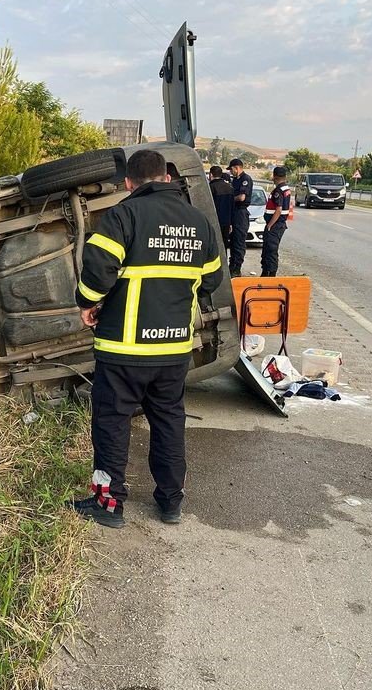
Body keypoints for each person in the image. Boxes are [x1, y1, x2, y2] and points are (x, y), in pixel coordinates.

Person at [72, 150, 224, 528]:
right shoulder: (198, 222)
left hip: (123, 348)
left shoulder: (124, 215)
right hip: (173, 349)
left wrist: (88, 303)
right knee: (169, 421)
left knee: (112, 423)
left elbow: (97, 267)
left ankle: (108, 505)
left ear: (128, 183)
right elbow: (212, 280)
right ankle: (171, 503)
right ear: (167, 178)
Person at [261, 166, 292, 277]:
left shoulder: (278, 190)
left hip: (275, 225)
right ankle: (268, 272)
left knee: (270, 251)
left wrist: (270, 225)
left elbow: (278, 210)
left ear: (275, 176)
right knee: (270, 250)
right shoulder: (286, 189)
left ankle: (269, 274)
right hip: (279, 225)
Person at [227, 158, 254, 277]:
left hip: (241, 213)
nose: (231, 172)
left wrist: (229, 200)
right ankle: (232, 265)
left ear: (237, 168)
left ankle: (236, 268)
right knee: (233, 241)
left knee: (238, 242)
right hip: (234, 212)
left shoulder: (245, 179)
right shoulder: (235, 180)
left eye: (231, 169)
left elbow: (242, 197)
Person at [208, 165, 234, 267]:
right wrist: (231, 222)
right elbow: (232, 207)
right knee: (224, 245)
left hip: (214, 221)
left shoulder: (210, 188)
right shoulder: (230, 187)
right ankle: (224, 266)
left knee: (213, 245)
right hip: (226, 222)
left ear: (211, 174)